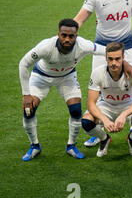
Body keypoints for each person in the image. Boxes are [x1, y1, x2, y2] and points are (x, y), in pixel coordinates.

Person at [73, 0, 132, 147]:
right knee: (99, 87)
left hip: (128, 45)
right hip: (102, 48)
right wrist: (69, 34)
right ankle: (97, 130)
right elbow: (81, 18)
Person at [18, 18, 106, 161]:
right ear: (58, 34)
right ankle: (34, 146)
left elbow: (106, 50)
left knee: (76, 110)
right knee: (29, 110)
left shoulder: (83, 45)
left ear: (76, 36)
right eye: (63, 35)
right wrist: (26, 94)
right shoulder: (46, 46)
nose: (67, 39)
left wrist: (125, 59)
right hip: (41, 77)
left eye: (71, 36)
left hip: (67, 77)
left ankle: (71, 146)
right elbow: (24, 63)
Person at [80, 42, 132, 158]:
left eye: (118, 59)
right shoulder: (97, 72)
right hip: (106, 106)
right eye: (110, 59)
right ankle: (104, 138)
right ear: (106, 58)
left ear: (123, 58)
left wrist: (124, 114)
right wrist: (105, 120)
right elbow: (91, 103)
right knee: (86, 121)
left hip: (128, 105)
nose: (114, 63)